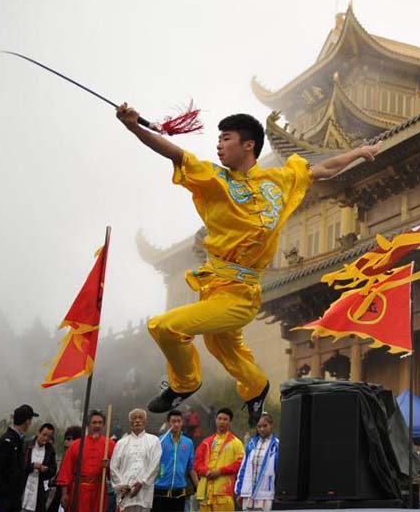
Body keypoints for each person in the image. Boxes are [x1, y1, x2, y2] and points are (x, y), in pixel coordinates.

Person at [116, 105, 380, 426]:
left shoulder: (278, 180)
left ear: (248, 144)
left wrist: (359, 152)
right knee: (221, 347)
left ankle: (184, 383)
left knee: (164, 326)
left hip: (242, 294)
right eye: (218, 139)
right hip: (214, 286)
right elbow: (175, 153)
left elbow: (321, 170)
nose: (218, 145)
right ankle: (256, 387)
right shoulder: (214, 179)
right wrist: (134, 128)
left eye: (225, 138)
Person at [56, 410, 116, 512]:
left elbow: (116, 472)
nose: (97, 425)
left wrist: (109, 466)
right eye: (94, 422)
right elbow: (66, 471)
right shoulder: (76, 445)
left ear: (104, 425)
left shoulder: (110, 445)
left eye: (100, 422)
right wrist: (64, 494)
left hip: (99, 491)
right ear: (88, 425)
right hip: (78, 491)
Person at [0, 404, 37, 512]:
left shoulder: (18, 440)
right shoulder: (8, 441)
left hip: (14, 495)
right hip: (4, 496)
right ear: (27, 421)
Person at [111, 409, 162, 512]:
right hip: (125, 492)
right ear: (130, 423)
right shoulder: (121, 443)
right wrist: (122, 485)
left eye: (140, 418)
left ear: (145, 421)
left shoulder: (154, 441)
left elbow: (155, 465)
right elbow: (113, 467)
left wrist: (142, 482)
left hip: (144, 492)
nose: (137, 420)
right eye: (134, 418)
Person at [195, 408, 244, 511]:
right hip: (205, 492)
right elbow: (197, 462)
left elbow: (240, 464)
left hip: (224, 492)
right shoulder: (206, 442)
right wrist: (206, 471)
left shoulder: (236, 443)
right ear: (215, 420)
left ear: (230, 422)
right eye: (219, 418)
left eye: (225, 419)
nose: (221, 421)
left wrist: (220, 471)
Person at [154, 410, 198, 511]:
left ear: (182, 422)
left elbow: (191, 467)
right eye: (173, 421)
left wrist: (199, 487)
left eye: (179, 421)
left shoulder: (188, 442)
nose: (176, 424)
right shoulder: (159, 441)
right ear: (168, 423)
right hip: (160, 490)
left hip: (179, 491)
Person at [235, 413, 278, 511]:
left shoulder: (276, 446)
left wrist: (277, 491)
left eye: (265, 426)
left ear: (271, 426)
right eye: (259, 426)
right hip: (248, 494)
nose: (262, 429)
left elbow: (279, 470)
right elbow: (244, 468)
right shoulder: (251, 444)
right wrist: (240, 491)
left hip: (266, 494)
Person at [22, 423, 57, 512]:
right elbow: (18, 464)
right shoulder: (27, 446)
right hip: (23, 485)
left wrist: (45, 469)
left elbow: (53, 470)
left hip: (40, 489)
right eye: (44, 435)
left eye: (49, 436)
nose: (45, 438)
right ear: (38, 433)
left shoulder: (50, 450)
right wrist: (32, 466)